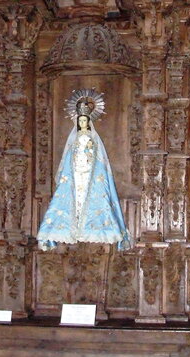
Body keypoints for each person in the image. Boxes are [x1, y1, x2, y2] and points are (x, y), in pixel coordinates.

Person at [37, 92, 130, 250]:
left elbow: (99, 157)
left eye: (84, 120)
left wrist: (88, 155)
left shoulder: (94, 139)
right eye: (80, 120)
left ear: (88, 121)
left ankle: (93, 228)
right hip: (75, 173)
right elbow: (68, 157)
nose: (82, 122)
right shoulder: (73, 139)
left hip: (90, 172)